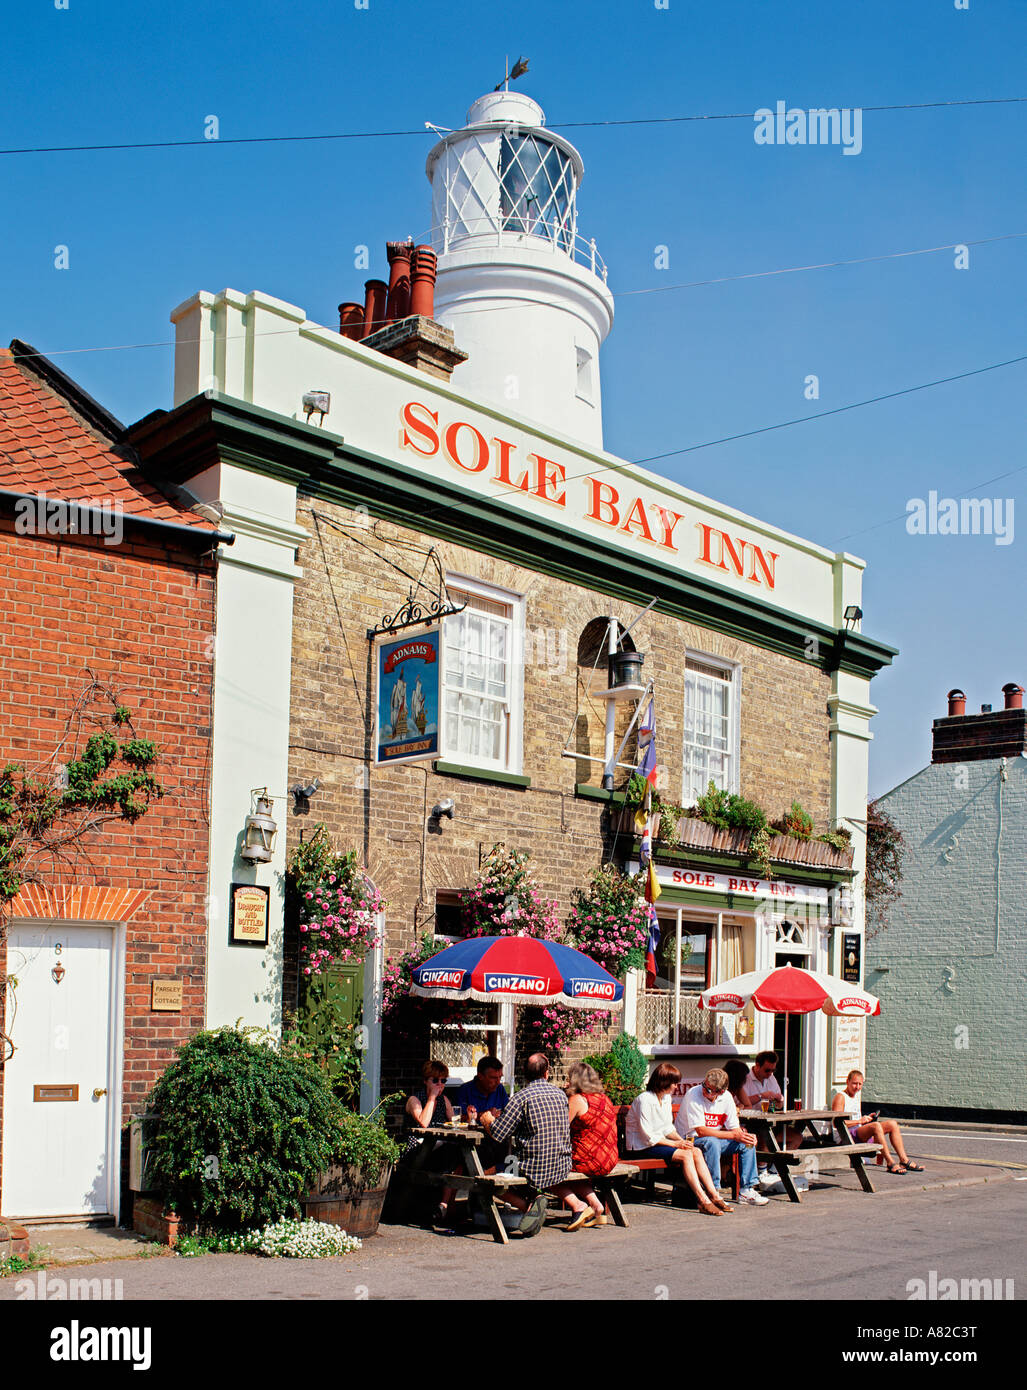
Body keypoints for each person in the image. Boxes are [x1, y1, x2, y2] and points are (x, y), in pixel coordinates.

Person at [480, 1053, 574, 1237]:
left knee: (486, 1176)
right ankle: (534, 1201)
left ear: (524, 1073)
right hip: (562, 1163)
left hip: (533, 1167)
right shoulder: (561, 1095)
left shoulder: (521, 1098)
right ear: (547, 1073)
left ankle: (528, 1206)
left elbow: (499, 1134)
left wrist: (488, 1120)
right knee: (510, 1161)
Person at [624, 1062, 731, 1215]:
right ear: (663, 1082)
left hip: (657, 1143)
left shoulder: (666, 1099)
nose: (676, 1087)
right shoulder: (645, 1100)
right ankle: (703, 1200)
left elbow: (667, 1127)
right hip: (640, 1147)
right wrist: (676, 1144)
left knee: (695, 1151)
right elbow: (648, 1136)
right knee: (686, 1154)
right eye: (674, 1083)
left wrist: (682, 1141)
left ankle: (714, 1195)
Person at [682, 1068, 770, 1206]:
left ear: (721, 1092)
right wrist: (733, 1135)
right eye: (704, 1085)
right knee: (712, 1143)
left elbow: (734, 1127)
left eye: (710, 1090)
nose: (704, 1090)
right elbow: (701, 1131)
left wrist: (743, 1136)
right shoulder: (693, 1094)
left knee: (746, 1143)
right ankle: (713, 1191)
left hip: (713, 1139)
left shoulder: (727, 1097)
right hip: (690, 1140)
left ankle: (746, 1190)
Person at [832, 1070, 924, 1173]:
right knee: (876, 1126)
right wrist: (860, 1121)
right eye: (854, 1083)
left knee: (892, 1124)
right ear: (847, 1082)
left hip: (856, 1132)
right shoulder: (841, 1097)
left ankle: (904, 1160)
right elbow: (836, 1123)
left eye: (860, 1084)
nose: (857, 1087)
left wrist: (866, 1118)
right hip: (843, 1135)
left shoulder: (855, 1097)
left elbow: (856, 1120)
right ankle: (890, 1163)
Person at [563, 1062, 618, 1231]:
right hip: (610, 1158)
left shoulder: (577, 1100)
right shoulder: (605, 1098)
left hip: (590, 1160)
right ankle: (596, 1206)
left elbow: (561, 1127)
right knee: (576, 1170)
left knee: (552, 1170)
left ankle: (580, 1205)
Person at [403, 1059, 458, 1225]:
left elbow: (454, 1122)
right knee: (451, 1155)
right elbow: (424, 1123)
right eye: (435, 1080)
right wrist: (432, 1097)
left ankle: (444, 1206)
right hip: (417, 1151)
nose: (439, 1084)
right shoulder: (415, 1100)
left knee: (458, 1157)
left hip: (438, 1149)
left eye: (443, 1081)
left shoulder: (444, 1100)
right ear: (426, 1081)